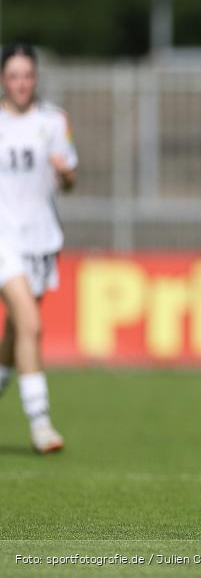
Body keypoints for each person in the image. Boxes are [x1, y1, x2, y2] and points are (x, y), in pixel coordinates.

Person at [0, 43, 78, 454]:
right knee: (30, 325)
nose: (21, 84)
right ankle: (41, 423)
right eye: (13, 76)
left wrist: (65, 175)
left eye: (27, 76)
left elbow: (69, 178)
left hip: (40, 239)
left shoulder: (52, 121)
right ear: (2, 80)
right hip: (3, 238)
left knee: (17, 327)